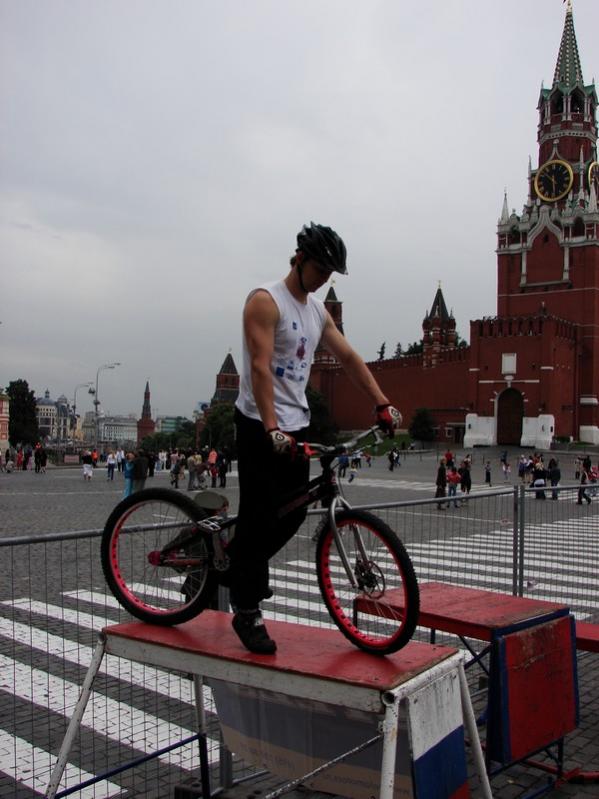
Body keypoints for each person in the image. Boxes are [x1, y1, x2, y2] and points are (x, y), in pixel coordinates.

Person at [225, 222, 402, 654]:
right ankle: (246, 608)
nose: (325, 279)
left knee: (291, 513)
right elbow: (260, 367)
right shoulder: (265, 302)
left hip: (295, 424)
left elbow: (348, 356)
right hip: (259, 423)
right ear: (300, 259)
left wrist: (381, 402)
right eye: (321, 269)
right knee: (258, 516)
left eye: (330, 273)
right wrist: (271, 428)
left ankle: (240, 562)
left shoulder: (317, 312)